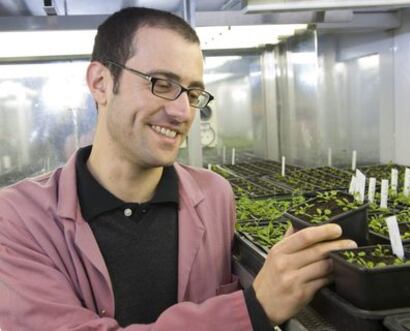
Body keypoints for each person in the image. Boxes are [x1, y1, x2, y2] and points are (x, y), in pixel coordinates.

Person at [0, 7, 357, 331]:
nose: (183, 112)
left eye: (192, 93)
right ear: (101, 83)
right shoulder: (18, 219)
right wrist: (253, 308)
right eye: (162, 84)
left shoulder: (215, 195)